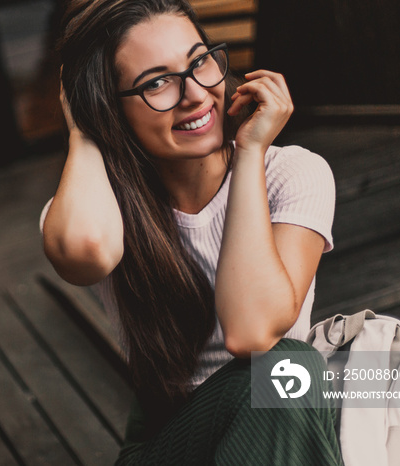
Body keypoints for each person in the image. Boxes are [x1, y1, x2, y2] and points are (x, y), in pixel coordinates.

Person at [40, 0, 342, 463]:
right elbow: (87, 252)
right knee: (289, 370)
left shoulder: (292, 173)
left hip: (280, 418)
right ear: (106, 105)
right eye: (157, 82)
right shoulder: (94, 205)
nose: (196, 95)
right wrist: (82, 130)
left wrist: (249, 154)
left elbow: (252, 330)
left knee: (287, 375)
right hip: (171, 440)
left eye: (199, 62)